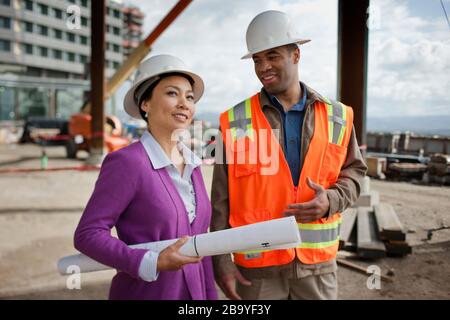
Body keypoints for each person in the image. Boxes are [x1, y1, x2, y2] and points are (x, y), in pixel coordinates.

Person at [211, 10, 367, 300]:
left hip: (317, 268)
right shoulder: (233, 121)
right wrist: (220, 261)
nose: (263, 67)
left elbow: (355, 173)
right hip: (257, 272)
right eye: (257, 59)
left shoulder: (338, 117)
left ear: (296, 55)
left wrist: (331, 200)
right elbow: (220, 199)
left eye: (272, 56)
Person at [74, 54, 218, 300]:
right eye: (173, 93)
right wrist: (150, 262)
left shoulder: (193, 163)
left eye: (190, 96)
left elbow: (199, 246)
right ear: (145, 104)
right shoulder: (128, 163)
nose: (184, 103)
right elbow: (88, 234)